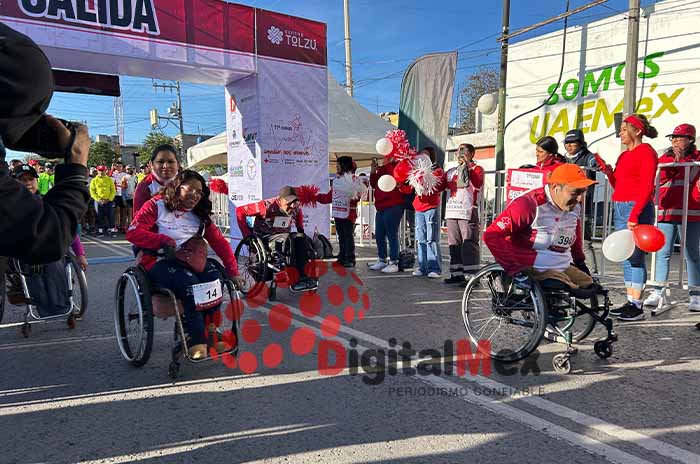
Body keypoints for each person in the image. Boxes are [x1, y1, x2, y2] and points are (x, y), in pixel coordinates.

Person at [127, 170, 241, 360]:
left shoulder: (199, 214)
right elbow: (133, 232)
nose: (195, 195)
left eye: (199, 192)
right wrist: (162, 240)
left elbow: (220, 243)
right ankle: (194, 338)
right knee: (190, 285)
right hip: (159, 260)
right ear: (178, 187)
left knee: (214, 279)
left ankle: (211, 332)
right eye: (191, 190)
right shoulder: (156, 205)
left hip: (190, 259)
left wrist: (233, 271)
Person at [483, 164, 597, 289]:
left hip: (562, 265)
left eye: (583, 192)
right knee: (563, 284)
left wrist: (580, 261)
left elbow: (573, 235)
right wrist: (514, 269)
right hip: (532, 267)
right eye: (575, 192)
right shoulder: (528, 204)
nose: (579, 198)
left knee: (590, 286)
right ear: (556, 188)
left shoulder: (575, 207)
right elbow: (491, 235)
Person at [596, 114, 659, 321]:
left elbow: (646, 186)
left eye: (624, 129)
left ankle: (637, 304)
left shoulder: (646, 152)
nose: (620, 133)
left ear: (637, 131)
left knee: (636, 256)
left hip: (636, 207)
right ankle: (630, 300)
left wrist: (635, 214)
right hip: (621, 204)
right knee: (625, 254)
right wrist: (608, 172)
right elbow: (619, 185)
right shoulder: (623, 156)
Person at [644, 124, 700, 312]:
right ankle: (658, 290)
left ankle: (696, 294)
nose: (675, 140)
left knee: (691, 254)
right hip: (666, 211)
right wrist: (674, 163)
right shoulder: (665, 158)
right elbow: (658, 178)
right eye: (673, 137)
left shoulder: (697, 158)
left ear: (690, 139)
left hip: (690, 212)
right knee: (662, 252)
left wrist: (683, 162)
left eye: (679, 137)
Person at [236, 186, 318, 291]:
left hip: (284, 237)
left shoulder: (295, 207)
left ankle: (303, 276)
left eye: (295, 201)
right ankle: (296, 277)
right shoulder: (266, 206)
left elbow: (299, 216)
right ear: (281, 199)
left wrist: (300, 230)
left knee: (301, 239)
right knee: (290, 239)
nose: (292, 205)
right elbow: (240, 211)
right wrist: (247, 236)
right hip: (266, 238)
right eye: (289, 202)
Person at [12, 163, 88, 271]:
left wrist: (80, 254)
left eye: (31, 179)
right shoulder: (9, 207)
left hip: (49, 256)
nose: (28, 183)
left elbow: (66, 228)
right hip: (22, 259)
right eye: (23, 179)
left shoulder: (46, 203)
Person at [444, 143, 485, 285]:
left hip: (467, 210)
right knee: (454, 243)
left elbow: (477, 183)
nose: (460, 154)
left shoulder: (477, 169)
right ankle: (456, 273)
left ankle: (472, 276)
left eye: (464, 151)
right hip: (452, 210)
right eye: (458, 151)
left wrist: (467, 166)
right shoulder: (451, 171)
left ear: (472, 154)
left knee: (469, 243)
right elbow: (441, 185)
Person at [316, 156, 365, 268]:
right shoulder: (337, 181)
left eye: (338, 165)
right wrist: (315, 197)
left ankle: (350, 258)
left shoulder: (354, 180)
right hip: (338, 213)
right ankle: (342, 256)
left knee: (348, 236)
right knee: (341, 236)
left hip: (348, 214)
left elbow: (357, 197)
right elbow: (329, 197)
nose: (336, 167)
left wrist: (351, 193)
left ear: (344, 166)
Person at [563, 129, 600, 271]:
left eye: (573, 143)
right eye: (567, 143)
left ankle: (593, 274)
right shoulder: (563, 159)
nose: (569, 146)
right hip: (565, 205)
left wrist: (597, 164)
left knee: (584, 242)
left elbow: (595, 164)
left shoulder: (588, 157)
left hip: (583, 206)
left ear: (581, 144)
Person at [411, 146, 446, 278]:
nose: (422, 158)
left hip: (431, 207)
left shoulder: (437, 172)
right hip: (419, 207)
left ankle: (435, 268)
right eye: (421, 155)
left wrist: (426, 176)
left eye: (425, 155)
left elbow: (438, 186)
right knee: (420, 238)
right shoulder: (414, 172)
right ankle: (422, 266)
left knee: (431, 238)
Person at [368, 156, 405, 273]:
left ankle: (394, 261)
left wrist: (389, 164)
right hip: (380, 206)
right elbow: (374, 184)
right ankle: (382, 259)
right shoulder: (382, 169)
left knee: (391, 234)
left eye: (386, 157)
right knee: (379, 234)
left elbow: (394, 177)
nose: (383, 159)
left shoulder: (397, 166)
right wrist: (373, 171)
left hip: (393, 205)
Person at [133, 144, 180, 214]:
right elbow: (138, 219)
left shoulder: (187, 182)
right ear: (151, 164)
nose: (166, 166)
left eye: (170, 162)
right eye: (160, 162)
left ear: (178, 164)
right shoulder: (144, 187)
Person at [90, 165, 117, 237]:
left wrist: (109, 199)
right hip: (99, 201)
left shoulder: (109, 179)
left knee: (111, 215)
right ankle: (100, 231)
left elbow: (113, 190)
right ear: (97, 171)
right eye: (100, 170)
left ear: (105, 171)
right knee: (99, 216)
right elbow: (92, 192)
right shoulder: (94, 180)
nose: (101, 172)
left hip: (108, 200)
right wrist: (98, 199)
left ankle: (112, 231)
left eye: (103, 170)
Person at [110, 161, 128, 233]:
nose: (119, 168)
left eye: (120, 166)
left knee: (123, 211)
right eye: (117, 166)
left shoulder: (125, 174)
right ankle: (116, 225)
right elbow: (108, 177)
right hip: (115, 194)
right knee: (116, 211)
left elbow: (126, 185)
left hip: (123, 195)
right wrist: (111, 169)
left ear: (122, 167)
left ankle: (123, 226)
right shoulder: (113, 174)